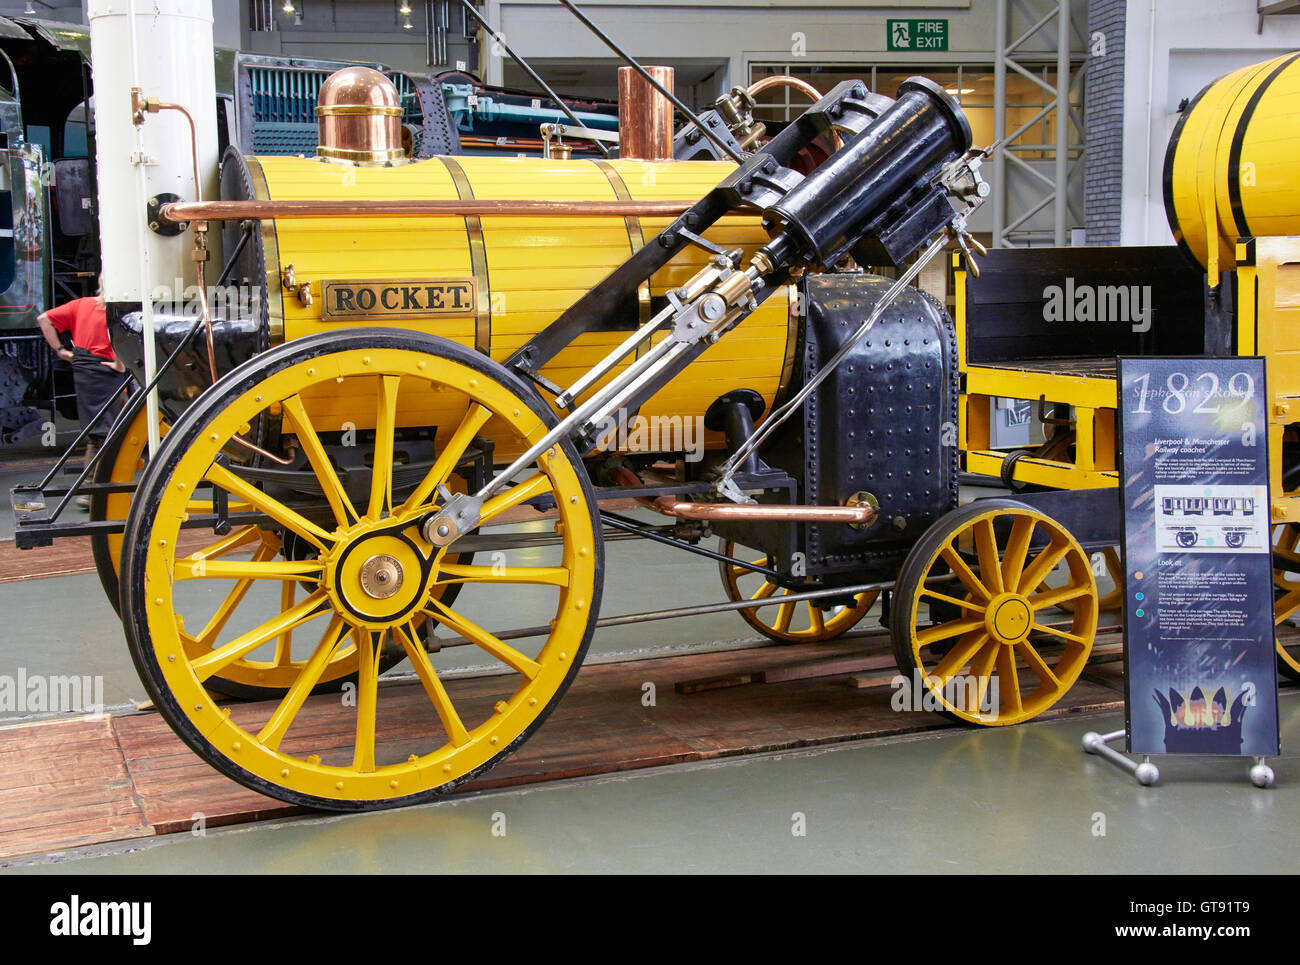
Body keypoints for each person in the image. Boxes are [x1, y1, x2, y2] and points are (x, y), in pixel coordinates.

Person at [36, 279, 129, 509]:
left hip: (85, 371)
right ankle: (92, 489)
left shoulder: (80, 305)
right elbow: (117, 335)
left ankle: (100, 487)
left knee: (103, 431)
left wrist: (61, 351)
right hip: (106, 371)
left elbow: (43, 319)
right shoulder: (116, 311)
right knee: (105, 432)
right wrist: (119, 363)